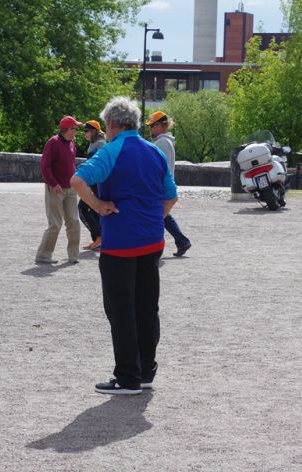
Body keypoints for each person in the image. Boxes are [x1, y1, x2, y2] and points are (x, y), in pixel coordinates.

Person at [71, 97, 178, 395]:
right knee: (147, 307)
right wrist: (153, 219)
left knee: (121, 310)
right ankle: (145, 371)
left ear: (112, 124)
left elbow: (77, 179)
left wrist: (98, 205)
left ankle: (127, 377)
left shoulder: (112, 151)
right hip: (151, 240)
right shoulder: (154, 152)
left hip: (120, 244)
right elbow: (171, 195)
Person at [35, 115, 83, 265]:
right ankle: (43, 256)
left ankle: (73, 256)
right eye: (75, 128)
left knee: (74, 222)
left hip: (70, 189)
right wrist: (53, 183)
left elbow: (71, 164)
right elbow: (45, 165)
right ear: (67, 129)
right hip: (55, 188)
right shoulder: (53, 142)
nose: (77, 131)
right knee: (55, 224)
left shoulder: (71, 143)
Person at [146, 110, 192, 257]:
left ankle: (177, 241)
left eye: (152, 126)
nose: (150, 129)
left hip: (159, 186)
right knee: (161, 214)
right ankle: (181, 241)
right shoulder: (165, 141)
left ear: (159, 126)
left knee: (158, 215)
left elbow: (157, 168)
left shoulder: (161, 143)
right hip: (163, 185)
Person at [78, 120, 106, 250]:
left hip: (96, 182)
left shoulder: (100, 144)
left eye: (86, 131)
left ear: (93, 131)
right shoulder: (94, 144)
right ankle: (98, 239)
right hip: (94, 182)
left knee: (82, 209)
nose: (84, 133)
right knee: (94, 210)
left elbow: (98, 165)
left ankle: (99, 236)